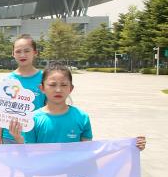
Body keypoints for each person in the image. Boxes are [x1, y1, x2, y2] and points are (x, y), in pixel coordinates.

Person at [9, 63, 147, 150]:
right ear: (42, 88)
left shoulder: (81, 117)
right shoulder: (33, 119)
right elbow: (29, 153)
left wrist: (130, 147)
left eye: (64, 85)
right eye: (52, 85)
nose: (58, 90)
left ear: (71, 89)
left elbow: (88, 152)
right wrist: (18, 138)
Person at [0, 34, 46, 144]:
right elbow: (1, 111)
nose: (22, 55)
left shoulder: (44, 78)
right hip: (9, 137)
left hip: (36, 136)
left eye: (27, 51)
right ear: (13, 54)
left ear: (35, 52)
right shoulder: (7, 80)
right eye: (18, 51)